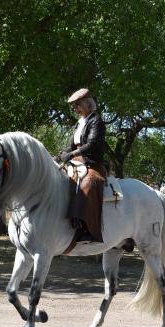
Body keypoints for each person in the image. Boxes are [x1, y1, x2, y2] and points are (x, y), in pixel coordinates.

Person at [57, 88, 107, 243]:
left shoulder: (96, 122)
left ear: (88, 104)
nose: (75, 109)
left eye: (78, 105)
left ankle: (88, 230)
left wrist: (71, 155)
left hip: (93, 165)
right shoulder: (80, 124)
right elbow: (71, 147)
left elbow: (91, 144)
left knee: (87, 184)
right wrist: (58, 156)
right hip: (76, 163)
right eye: (74, 107)